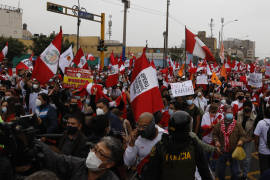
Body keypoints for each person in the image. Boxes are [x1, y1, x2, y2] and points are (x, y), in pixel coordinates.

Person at [141, 111, 212, 180]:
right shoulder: (193, 144)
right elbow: (205, 172)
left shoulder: (161, 145)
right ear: (188, 128)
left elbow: (151, 174)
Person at [36, 136, 123, 180]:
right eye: (94, 148)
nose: (93, 153)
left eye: (100, 153)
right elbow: (55, 159)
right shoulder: (76, 164)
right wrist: (35, 143)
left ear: (110, 164)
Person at [213, 105, 246, 180]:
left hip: (234, 151)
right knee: (221, 171)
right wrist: (216, 141)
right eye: (228, 112)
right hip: (222, 151)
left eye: (231, 112)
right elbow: (215, 134)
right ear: (224, 113)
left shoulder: (238, 124)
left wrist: (241, 140)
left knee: (235, 172)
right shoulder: (219, 124)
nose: (230, 114)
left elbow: (243, 135)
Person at [237, 100, 257, 179]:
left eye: (248, 107)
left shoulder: (254, 118)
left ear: (251, 108)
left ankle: (245, 175)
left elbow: (255, 132)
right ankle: (238, 173)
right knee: (237, 157)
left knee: (247, 159)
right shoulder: (239, 114)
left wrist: (249, 139)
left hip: (248, 141)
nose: (247, 108)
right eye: (245, 106)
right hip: (238, 140)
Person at [254, 106, 270, 175]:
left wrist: (257, 148)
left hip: (263, 151)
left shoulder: (261, 123)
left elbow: (256, 137)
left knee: (264, 171)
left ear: (264, 113)